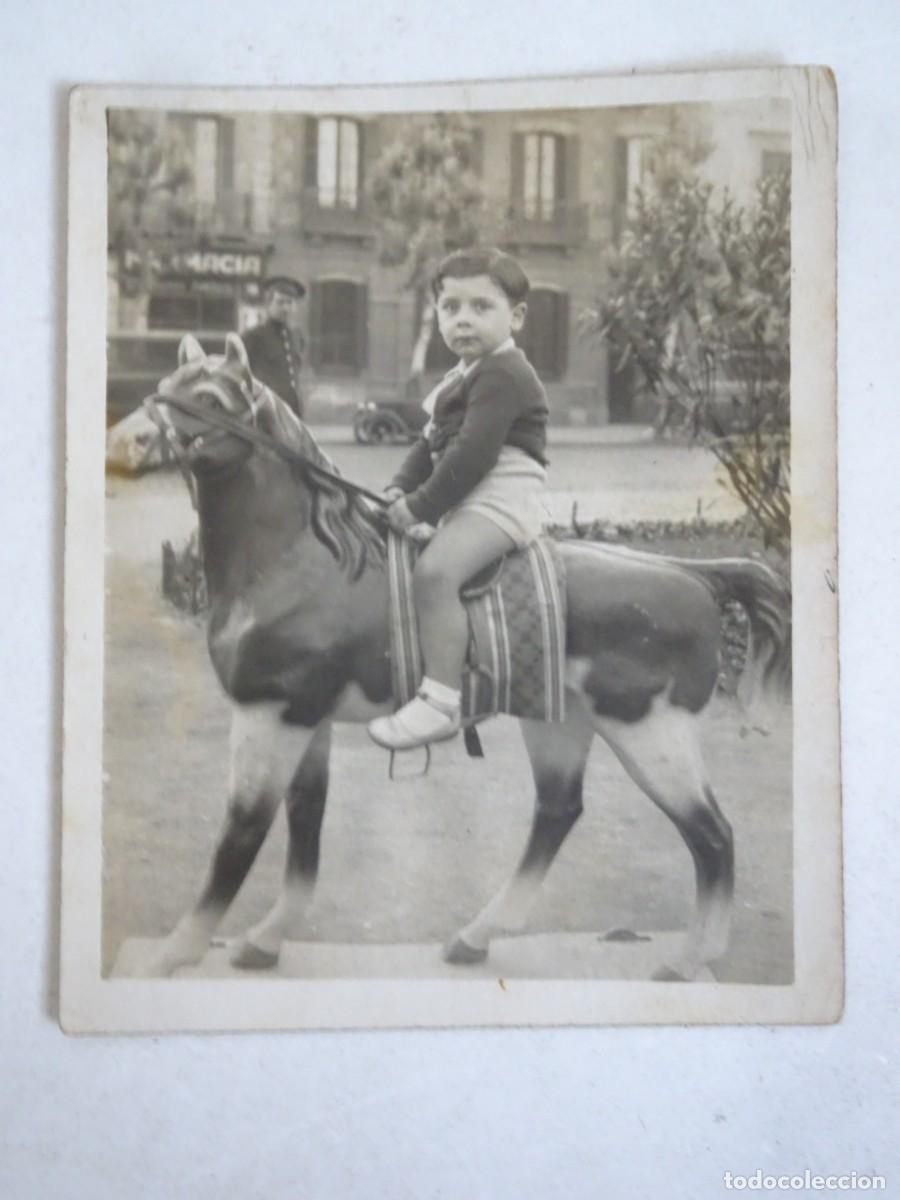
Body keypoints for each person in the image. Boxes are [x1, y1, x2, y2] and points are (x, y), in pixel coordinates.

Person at [367, 248, 549, 752]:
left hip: (501, 498)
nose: (463, 320)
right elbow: (428, 445)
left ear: (515, 317)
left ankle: (441, 701)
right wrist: (397, 488)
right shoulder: (459, 377)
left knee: (436, 572)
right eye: (451, 308)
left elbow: (473, 455)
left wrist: (420, 507)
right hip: (472, 494)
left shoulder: (504, 373)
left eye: (480, 307)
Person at [242, 276, 307, 417]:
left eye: (290, 303)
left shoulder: (297, 336)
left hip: (293, 411)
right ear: (268, 304)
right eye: (280, 302)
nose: (285, 308)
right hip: (266, 413)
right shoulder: (254, 336)